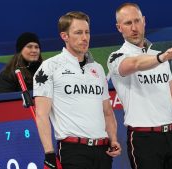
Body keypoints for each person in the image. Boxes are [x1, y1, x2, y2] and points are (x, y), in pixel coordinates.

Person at [107, 3, 172, 169]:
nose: (134, 27)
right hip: (143, 139)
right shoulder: (116, 57)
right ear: (119, 27)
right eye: (127, 23)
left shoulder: (157, 56)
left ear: (144, 21)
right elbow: (135, 64)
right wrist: (161, 58)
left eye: (137, 21)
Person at [33, 11, 121, 169]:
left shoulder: (98, 69)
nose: (85, 38)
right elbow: (41, 114)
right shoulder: (49, 67)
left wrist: (113, 139)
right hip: (73, 151)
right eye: (78, 33)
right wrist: (49, 153)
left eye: (87, 32)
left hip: (103, 151)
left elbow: (107, 111)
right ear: (64, 36)